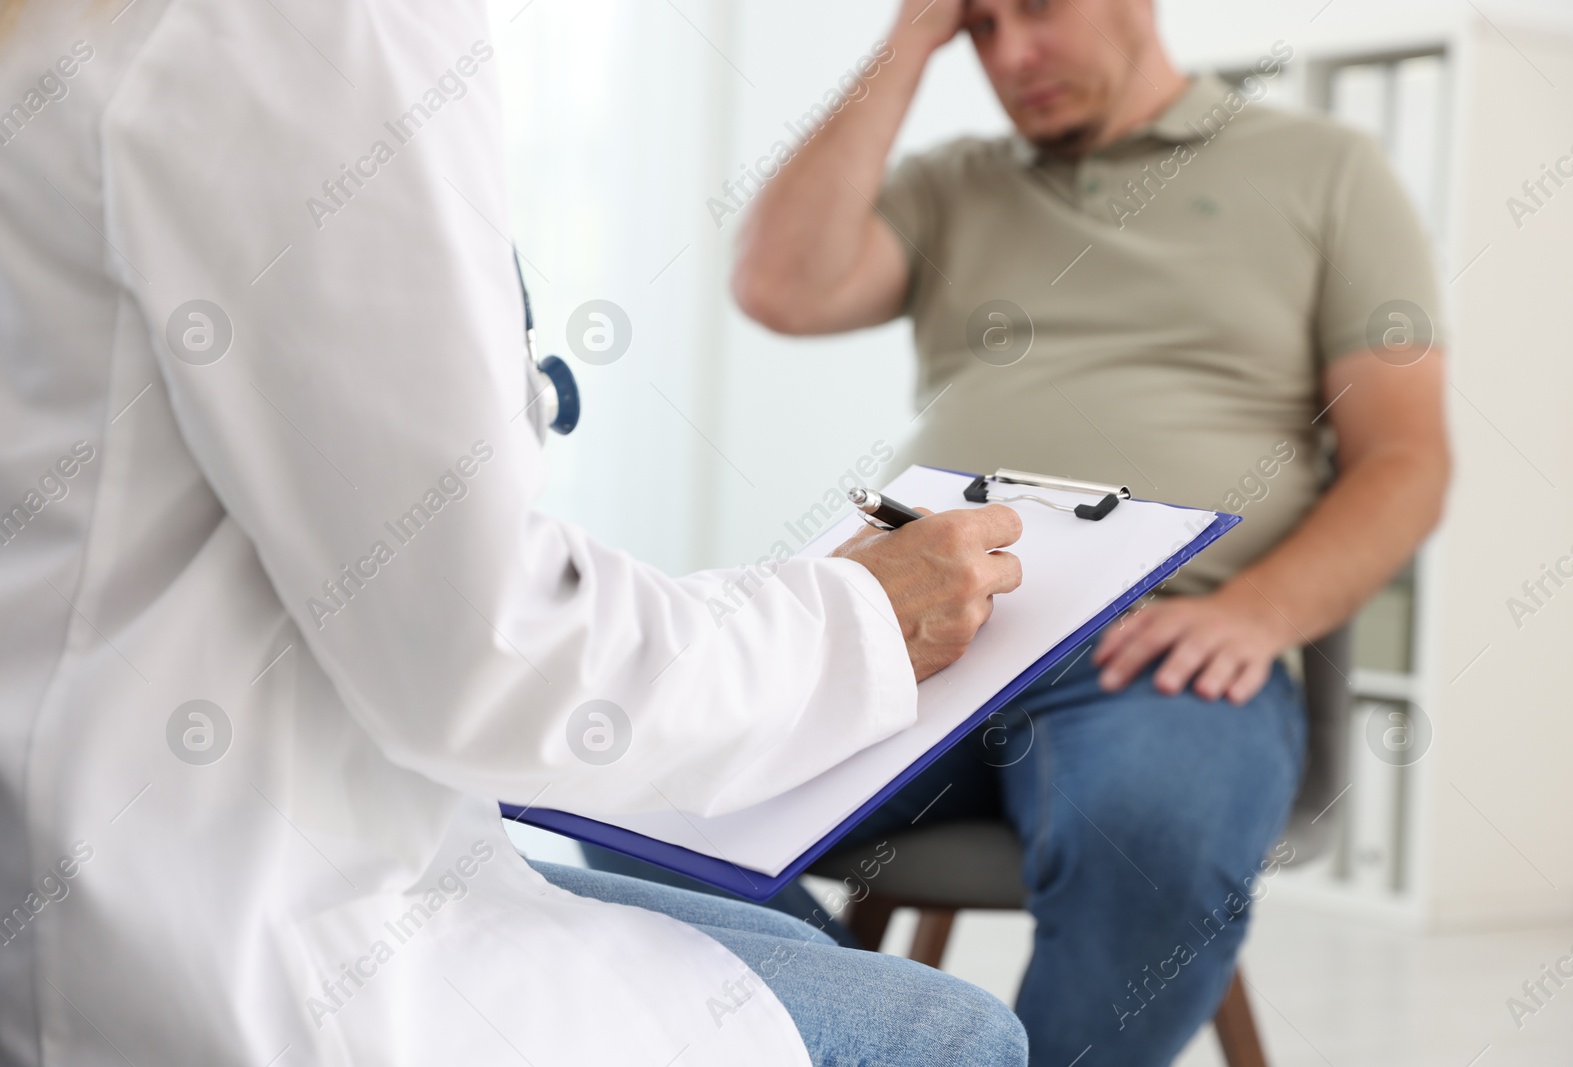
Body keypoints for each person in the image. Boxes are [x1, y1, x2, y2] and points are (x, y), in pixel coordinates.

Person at [0, 1, 1032, 1063]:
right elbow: (482, 653)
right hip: (223, 933)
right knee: (950, 1035)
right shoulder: (317, 28)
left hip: (138, 851)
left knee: (777, 941)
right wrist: (854, 618)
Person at [596, 0, 1451, 1063]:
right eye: (980, 26)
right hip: (928, 618)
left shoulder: (1323, 167)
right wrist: (910, 37)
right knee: (642, 790)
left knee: (1157, 841)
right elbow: (780, 285)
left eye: (1036, 11)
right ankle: (904, 1041)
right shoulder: (956, 184)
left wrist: (1261, 609)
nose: (1012, 55)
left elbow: (1405, 456)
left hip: (1162, 642)